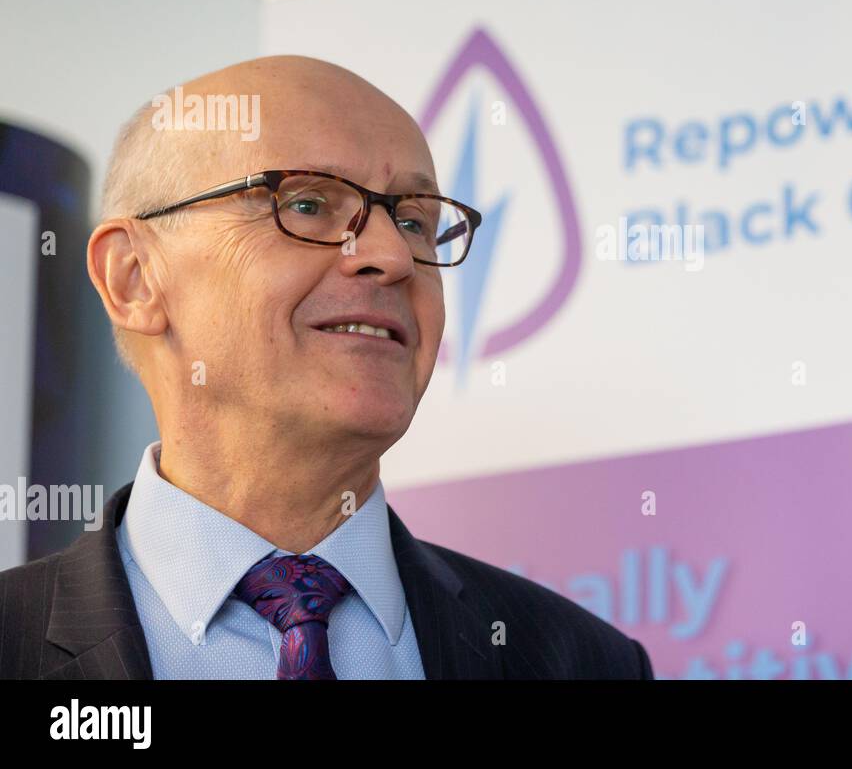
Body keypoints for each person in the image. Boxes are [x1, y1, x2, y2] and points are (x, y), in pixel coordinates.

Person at [0, 56, 653, 679]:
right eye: (308, 204)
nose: (392, 256)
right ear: (135, 278)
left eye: (415, 222)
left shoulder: (579, 661)